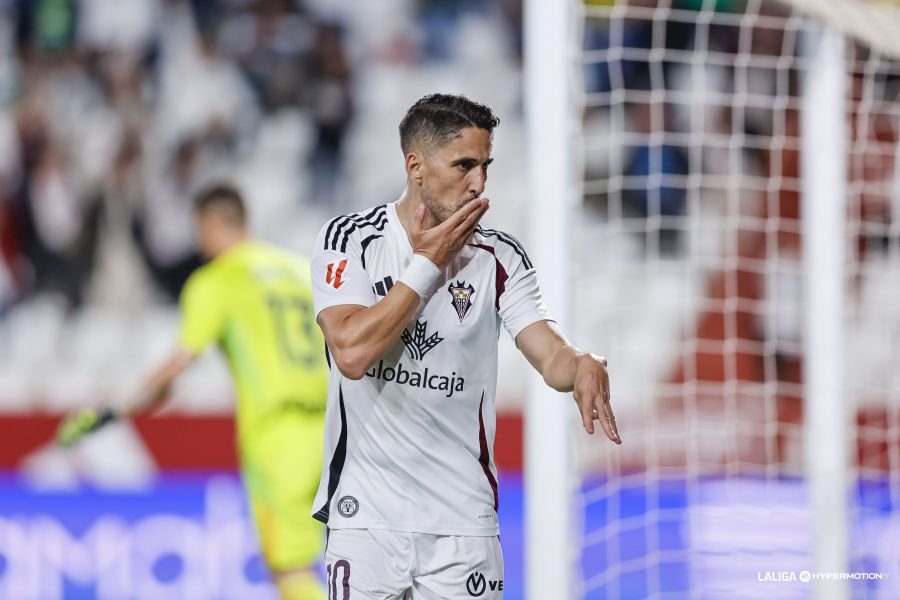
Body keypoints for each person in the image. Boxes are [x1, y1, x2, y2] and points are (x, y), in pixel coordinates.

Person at [310, 93, 621, 599]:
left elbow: (549, 354)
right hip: (367, 518)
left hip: (463, 523)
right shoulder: (352, 240)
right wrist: (427, 265)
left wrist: (581, 363)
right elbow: (351, 353)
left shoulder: (498, 257)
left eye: (485, 166)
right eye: (464, 165)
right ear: (415, 166)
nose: (478, 183)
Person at [56, 183, 330, 600]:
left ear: (209, 224)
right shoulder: (298, 270)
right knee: (347, 562)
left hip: (279, 437)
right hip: (336, 429)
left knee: (289, 568)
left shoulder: (218, 280)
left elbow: (177, 367)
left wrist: (115, 409)